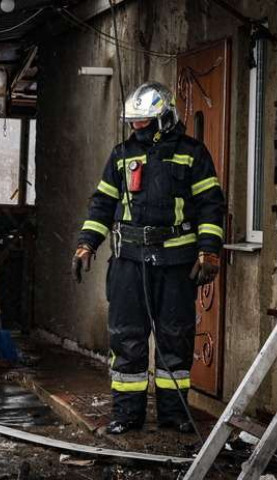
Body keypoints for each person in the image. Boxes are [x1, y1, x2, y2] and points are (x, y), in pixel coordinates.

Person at [71, 82, 225, 435]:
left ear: (164, 118)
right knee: (126, 338)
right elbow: (102, 204)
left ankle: (175, 414)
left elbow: (210, 206)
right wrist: (86, 244)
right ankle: (127, 415)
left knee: (176, 337)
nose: (137, 127)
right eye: (133, 122)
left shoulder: (192, 153)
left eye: (143, 121)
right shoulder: (121, 155)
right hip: (129, 262)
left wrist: (208, 251)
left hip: (176, 264)